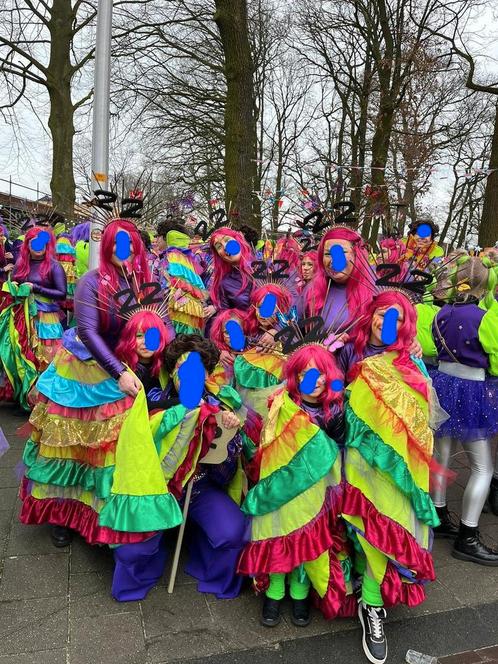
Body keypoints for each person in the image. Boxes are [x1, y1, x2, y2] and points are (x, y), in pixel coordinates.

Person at [19, 219, 177, 556]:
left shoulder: (148, 282)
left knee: (108, 449)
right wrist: (118, 371)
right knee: (70, 444)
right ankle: (61, 516)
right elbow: (88, 332)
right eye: (117, 245)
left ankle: (97, 513)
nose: (125, 251)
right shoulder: (91, 282)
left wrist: (179, 361)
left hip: (128, 366)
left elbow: (164, 325)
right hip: (86, 370)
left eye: (131, 245)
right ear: (105, 248)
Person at [342, 290, 439, 664]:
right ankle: (371, 604)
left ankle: (372, 601)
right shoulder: (353, 351)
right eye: (379, 315)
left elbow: (426, 419)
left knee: (392, 528)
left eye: (394, 317)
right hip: (362, 461)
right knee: (369, 532)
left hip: (403, 466)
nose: (384, 324)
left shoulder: (416, 363)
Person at [238, 344, 353, 627]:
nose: (315, 381)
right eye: (306, 373)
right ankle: (275, 592)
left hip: (317, 490)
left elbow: (339, 451)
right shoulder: (281, 404)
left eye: (321, 373)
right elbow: (268, 443)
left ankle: (300, 593)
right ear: (295, 377)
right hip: (282, 487)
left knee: (307, 539)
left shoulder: (335, 411)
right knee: (279, 533)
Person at [150, 334, 249, 599]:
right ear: (172, 373)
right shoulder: (154, 401)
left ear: (207, 374)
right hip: (155, 491)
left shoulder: (222, 407)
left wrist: (228, 438)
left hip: (200, 489)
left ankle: (203, 552)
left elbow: (223, 476)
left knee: (233, 532)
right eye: (184, 370)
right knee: (133, 548)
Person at [430, 257, 498, 564]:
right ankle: (467, 537)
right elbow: (495, 362)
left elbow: (433, 347)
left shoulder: (440, 312)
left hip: (442, 384)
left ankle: (438, 514)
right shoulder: (486, 318)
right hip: (472, 391)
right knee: (482, 467)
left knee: (441, 455)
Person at [152, 218, 207, 335]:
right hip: (192, 319)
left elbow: (167, 289)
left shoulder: (171, 257)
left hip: (176, 319)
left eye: (158, 236)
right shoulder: (185, 258)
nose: (156, 240)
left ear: (166, 237)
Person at [204, 227, 254, 323]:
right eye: (219, 246)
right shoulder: (225, 283)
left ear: (238, 240)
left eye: (227, 240)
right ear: (219, 255)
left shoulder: (266, 269)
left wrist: (275, 330)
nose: (225, 247)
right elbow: (225, 320)